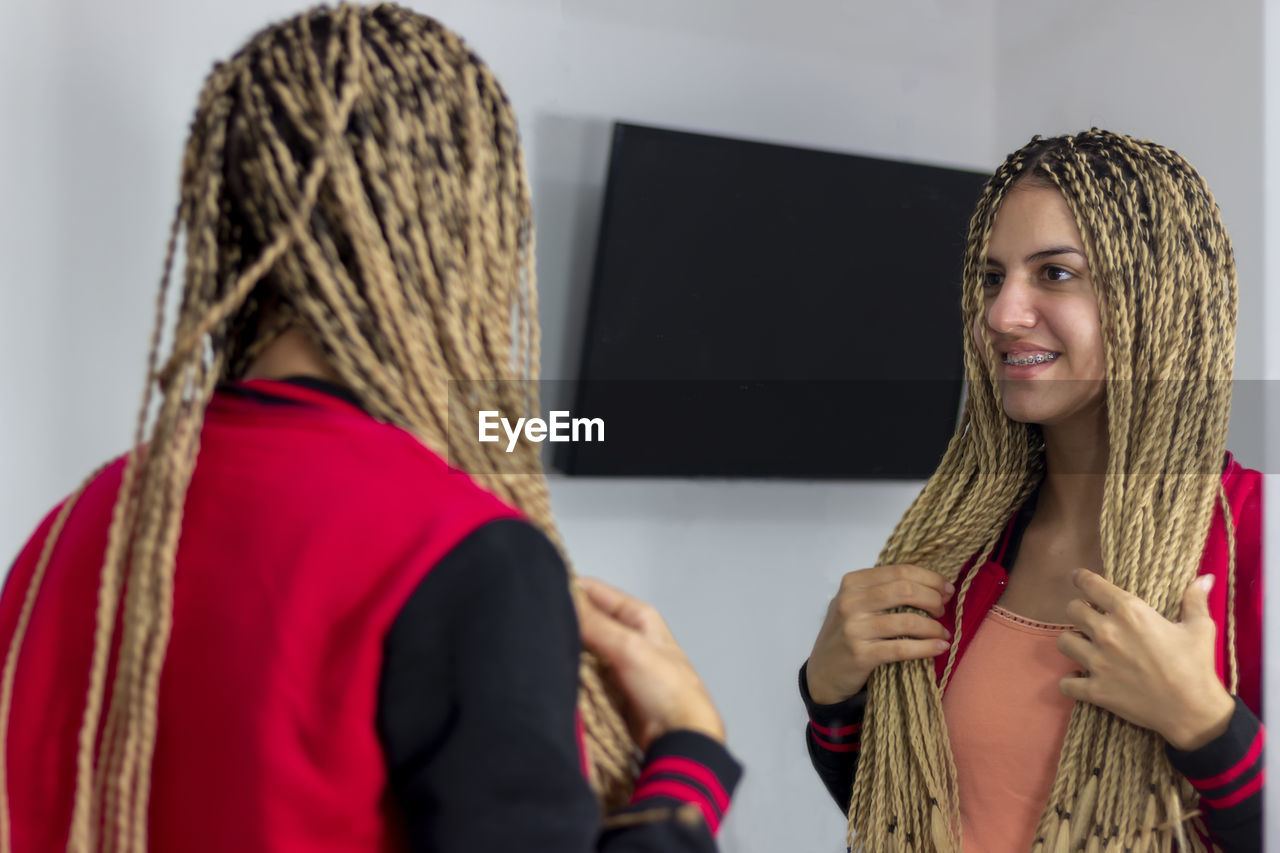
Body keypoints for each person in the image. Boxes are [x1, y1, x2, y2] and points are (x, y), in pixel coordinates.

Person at [0, 5, 740, 851]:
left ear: (227, 224)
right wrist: (690, 757)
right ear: (470, 230)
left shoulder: (69, 533)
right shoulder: (466, 557)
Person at [799, 131, 1262, 852]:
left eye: (1053, 273)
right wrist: (832, 694)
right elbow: (897, 805)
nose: (1001, 313)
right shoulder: (959, 537)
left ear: (1158, 297)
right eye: (991, 277)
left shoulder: (1256, 536)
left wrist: (1208, 726)